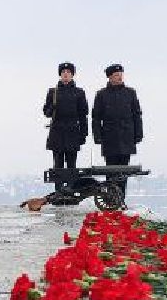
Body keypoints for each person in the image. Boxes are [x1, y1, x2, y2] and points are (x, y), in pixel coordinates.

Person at [90, 63, 143, 204]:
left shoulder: (130, 92)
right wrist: (98, 137)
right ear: (110, 77)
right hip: (109, 138)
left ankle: (121, 200)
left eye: (121, 75)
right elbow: (96, 117)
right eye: (116, 75)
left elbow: (137, 114)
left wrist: (138, 134)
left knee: (123, 173)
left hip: (127, 137)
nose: (119, 77)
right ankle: (111, 202)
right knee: (111, 172)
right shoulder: (101, 94)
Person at [44, 62, 88, 192]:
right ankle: (59, 192)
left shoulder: (79, 92)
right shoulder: (53, 92)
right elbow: (46, 112)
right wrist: (53, 107)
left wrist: (83, 134)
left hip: (73, 131)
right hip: (57, 132)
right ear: (60, 75)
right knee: (58, 165)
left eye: (68, 72)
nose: (66, 74)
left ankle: (71, 192)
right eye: (63, 72)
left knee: (71, 165)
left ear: (72, 75)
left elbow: (83, 114)